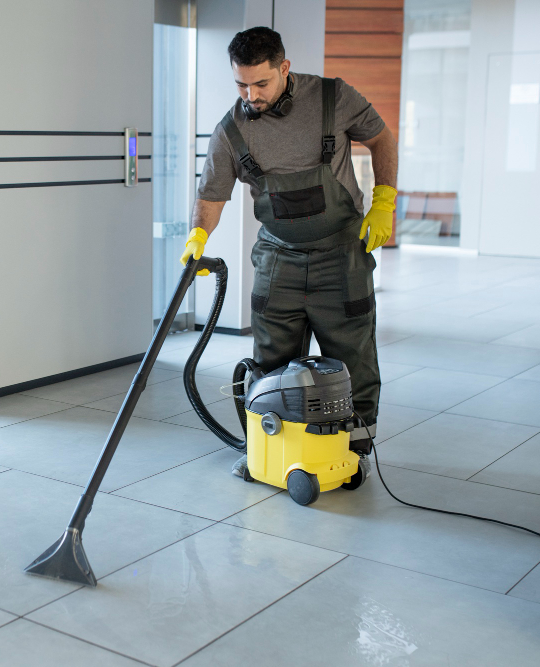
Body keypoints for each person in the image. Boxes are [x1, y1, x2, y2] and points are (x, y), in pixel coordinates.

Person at [182, 27, 397, 477]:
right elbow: (212, 195)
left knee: (352, 354)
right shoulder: (231, 130)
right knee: (271, 358)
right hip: (278, 255)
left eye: (260, 83)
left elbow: (381, 138)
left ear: (284, 68)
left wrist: (384, 201)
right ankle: (268, 448)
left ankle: (353, 452)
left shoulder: (332, 98)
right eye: (241, 84)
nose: (250, 94)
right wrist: (197, 238)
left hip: (340, 253)